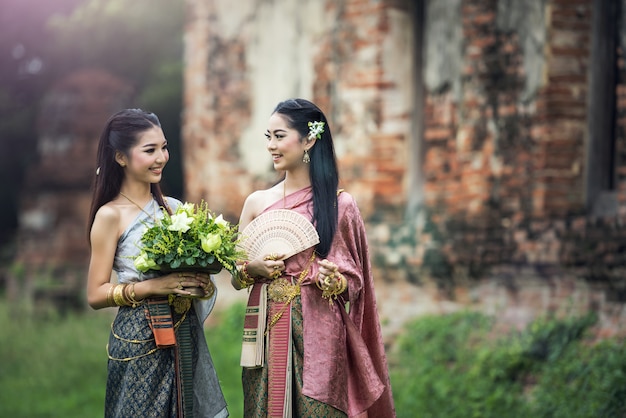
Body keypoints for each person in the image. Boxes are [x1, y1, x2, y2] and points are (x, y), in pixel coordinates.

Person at [231, 98, 396, 417]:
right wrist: (254, 268)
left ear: (308, 139)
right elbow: (237, 277)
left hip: (320, 331)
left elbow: (354, 283)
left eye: (279, 136)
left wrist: (333, 280)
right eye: (268, 137)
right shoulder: (256, 202)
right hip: (266, 328)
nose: (271, 146)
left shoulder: (340, 204)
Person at [86, 108, 228, 417]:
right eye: (150, 150)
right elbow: (95, 294)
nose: (161, 157)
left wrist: (198, 284)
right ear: (121, 157)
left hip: (184, 334)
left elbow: (194, 279)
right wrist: (154, 286)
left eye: (164, 147)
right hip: (139, 337)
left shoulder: (174, 210)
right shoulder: (110, 216)